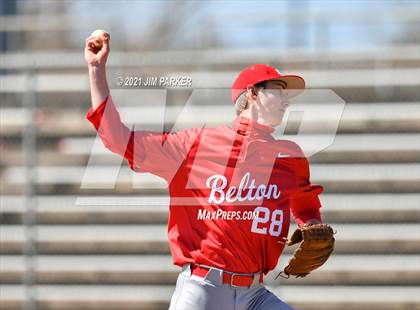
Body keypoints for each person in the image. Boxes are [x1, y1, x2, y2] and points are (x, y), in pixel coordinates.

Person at [84, 34, 324, 310]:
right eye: (278, 91)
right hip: (204, 290)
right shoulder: (195, 145)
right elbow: (116, 138)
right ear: (253, 94)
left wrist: (311, 223)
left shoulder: (289, 155)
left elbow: (304, 205)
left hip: (255, 295)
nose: (286, 100)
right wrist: (96, 70)